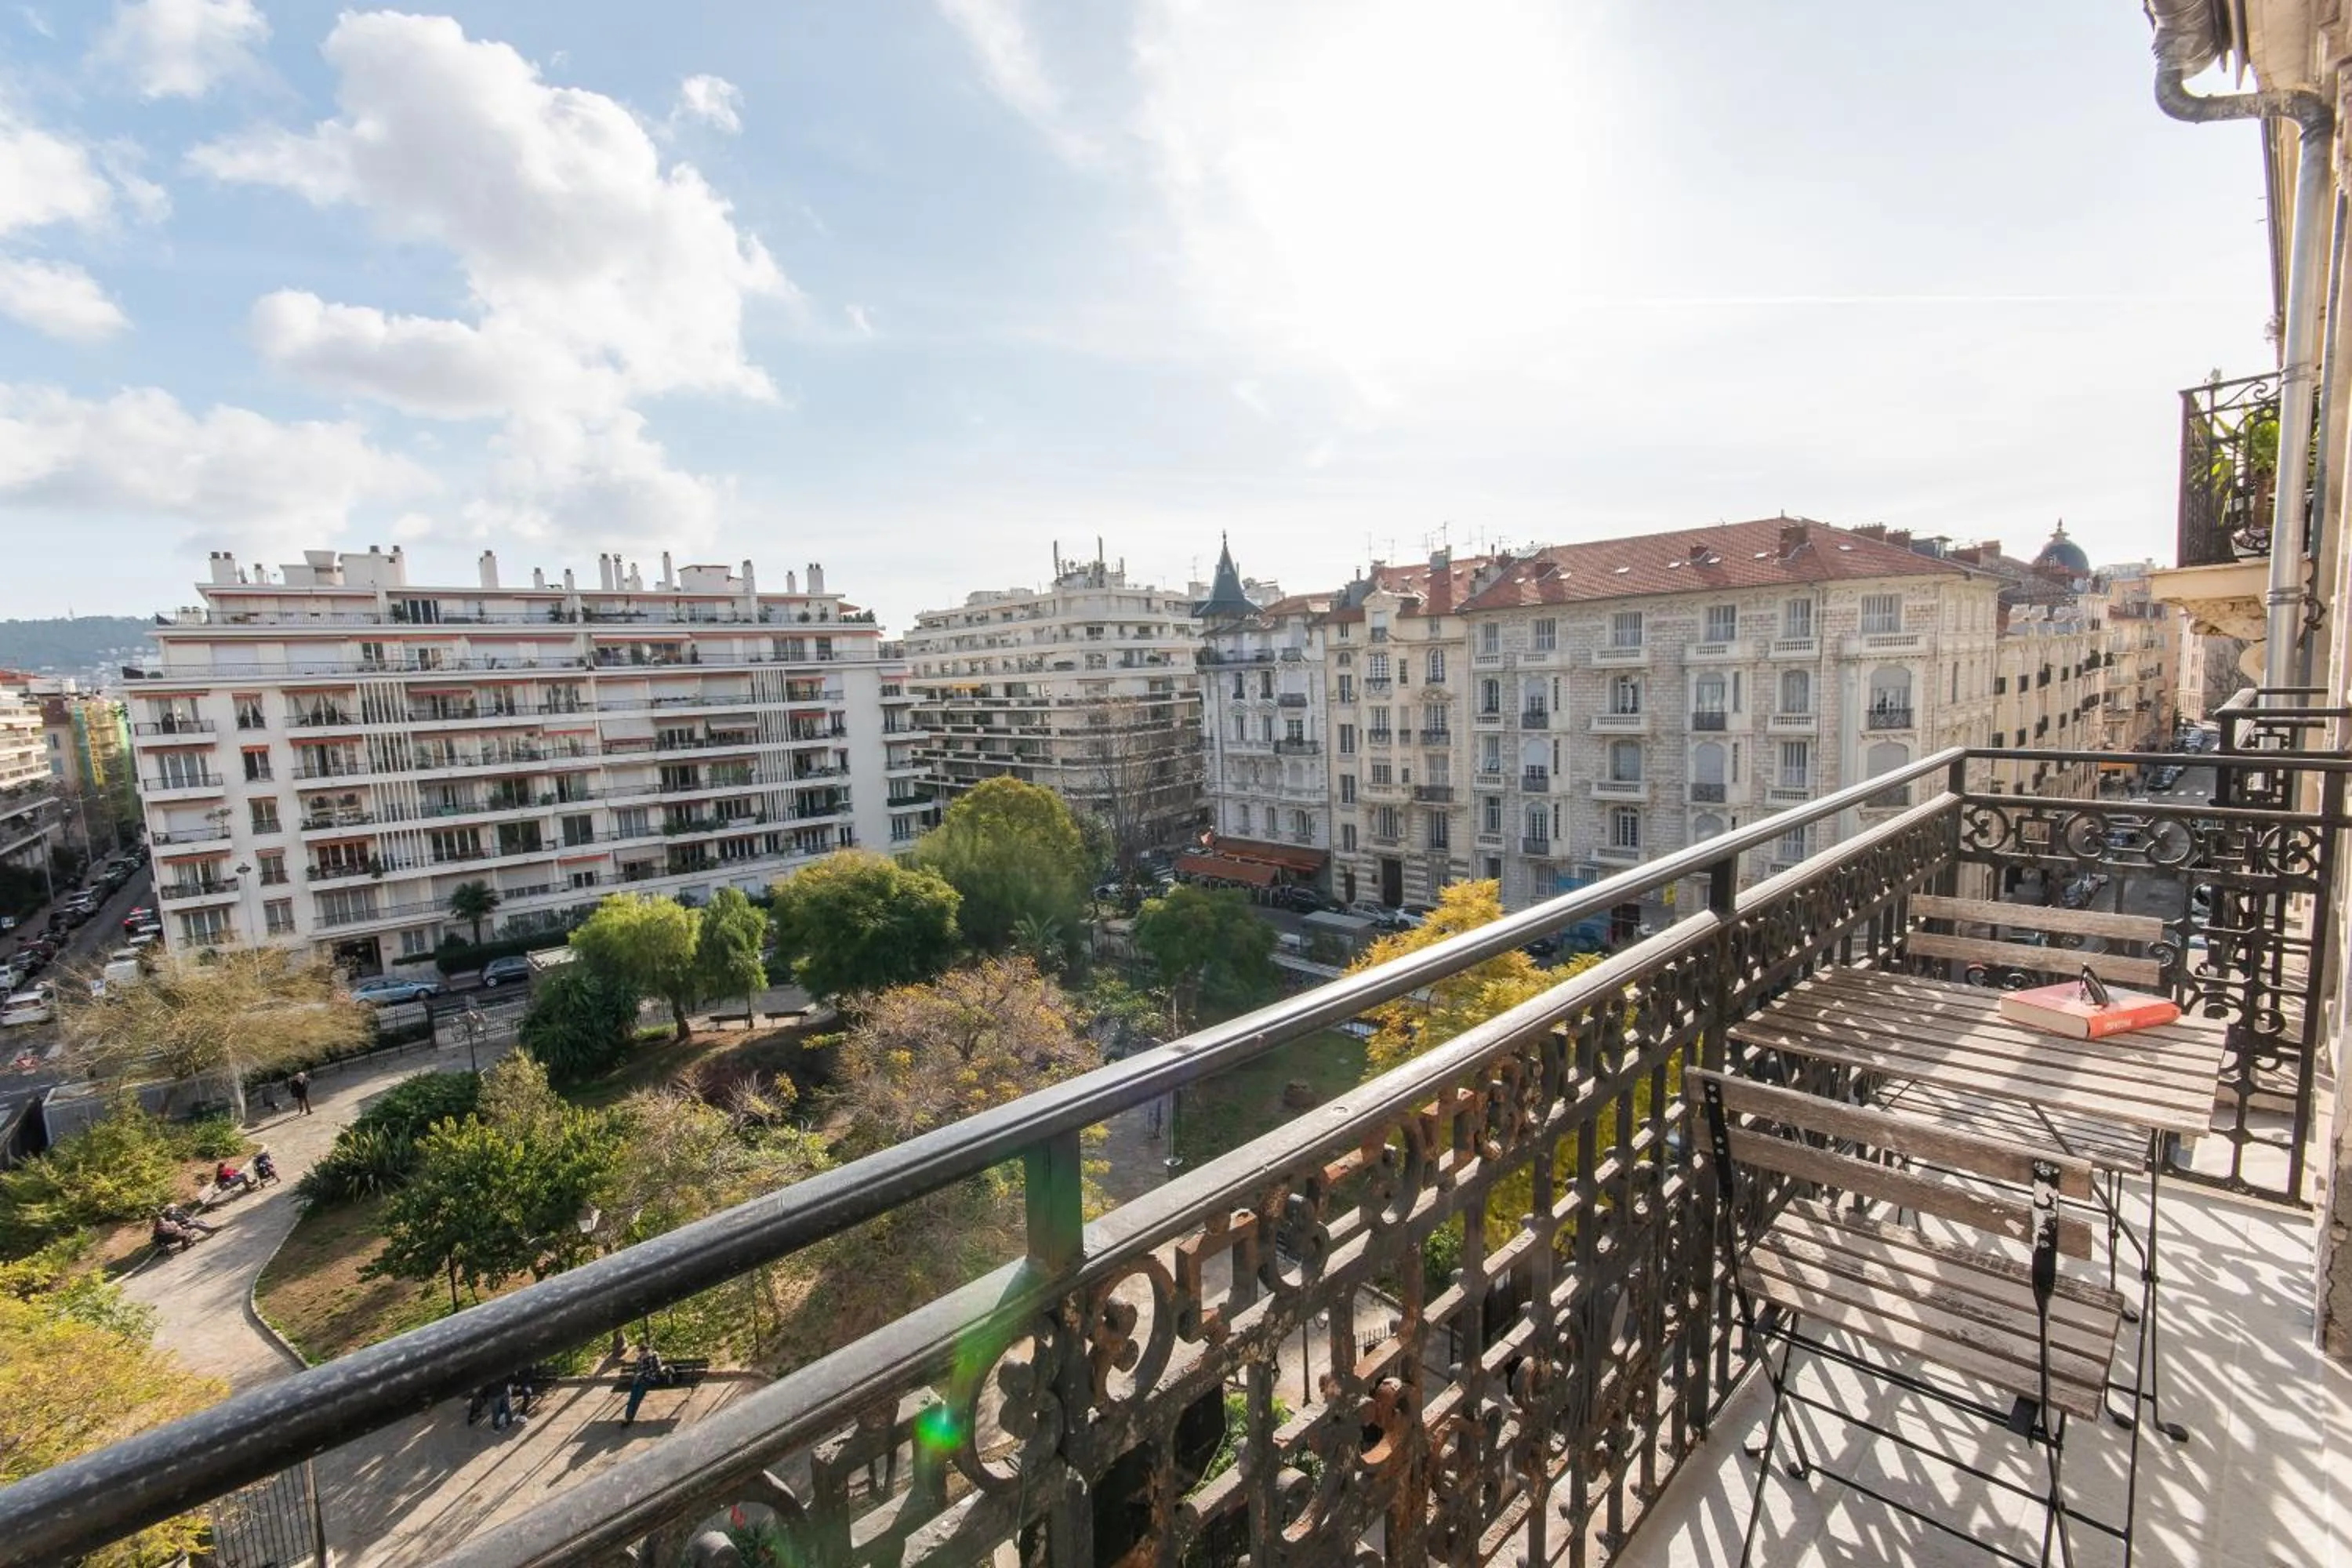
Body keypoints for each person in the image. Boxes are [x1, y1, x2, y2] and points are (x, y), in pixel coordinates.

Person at [621, 1347, 664, 1424]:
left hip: (649, 1379)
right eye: (641, 1354)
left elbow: (657, 1370)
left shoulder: (653, 1357)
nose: (642, 1355)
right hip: (639, 1380)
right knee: (632, 1397)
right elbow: (637, 1369)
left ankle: (630, 1418)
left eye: (644, 1353)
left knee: (637, 1398)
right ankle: (627, 1418)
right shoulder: (640, 1359)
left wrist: (643, 1373)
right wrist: (637, 1375)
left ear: (648, 1351)